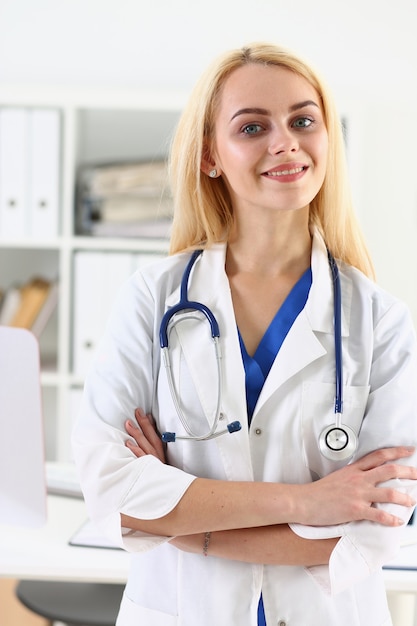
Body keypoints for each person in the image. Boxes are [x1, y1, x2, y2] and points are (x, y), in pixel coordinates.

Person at [72, 42, 417, 626]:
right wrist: (307, 503)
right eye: (252, 126)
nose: (284, 142)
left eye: (303, 120)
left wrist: (182, 523)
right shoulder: (153, 299)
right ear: (211, 155)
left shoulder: (379, 321)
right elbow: (111, 491)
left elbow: (375, 527)